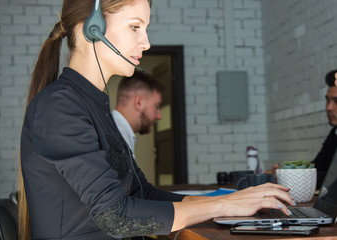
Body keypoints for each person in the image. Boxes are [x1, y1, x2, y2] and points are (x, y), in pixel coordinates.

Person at [18, 0, 294, 239]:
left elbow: (143, 194)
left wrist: (229, 200)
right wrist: (222, 207)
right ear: (92, 27)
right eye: (135, 27)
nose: (146, 42)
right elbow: (116, 217)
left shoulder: (93, 104)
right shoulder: (60, 106)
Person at [268, 69, 337, 188]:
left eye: (336, 101)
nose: (329, 107)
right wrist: (287, 171)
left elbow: (333, 180)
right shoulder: (334, 133)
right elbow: (316, 167)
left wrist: (291, 176)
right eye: (327, 100)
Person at [112, 70, 163, 153]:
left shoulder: (116, 131)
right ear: (138, 102)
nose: (159, 116)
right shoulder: (119, 137)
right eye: (156, 106)